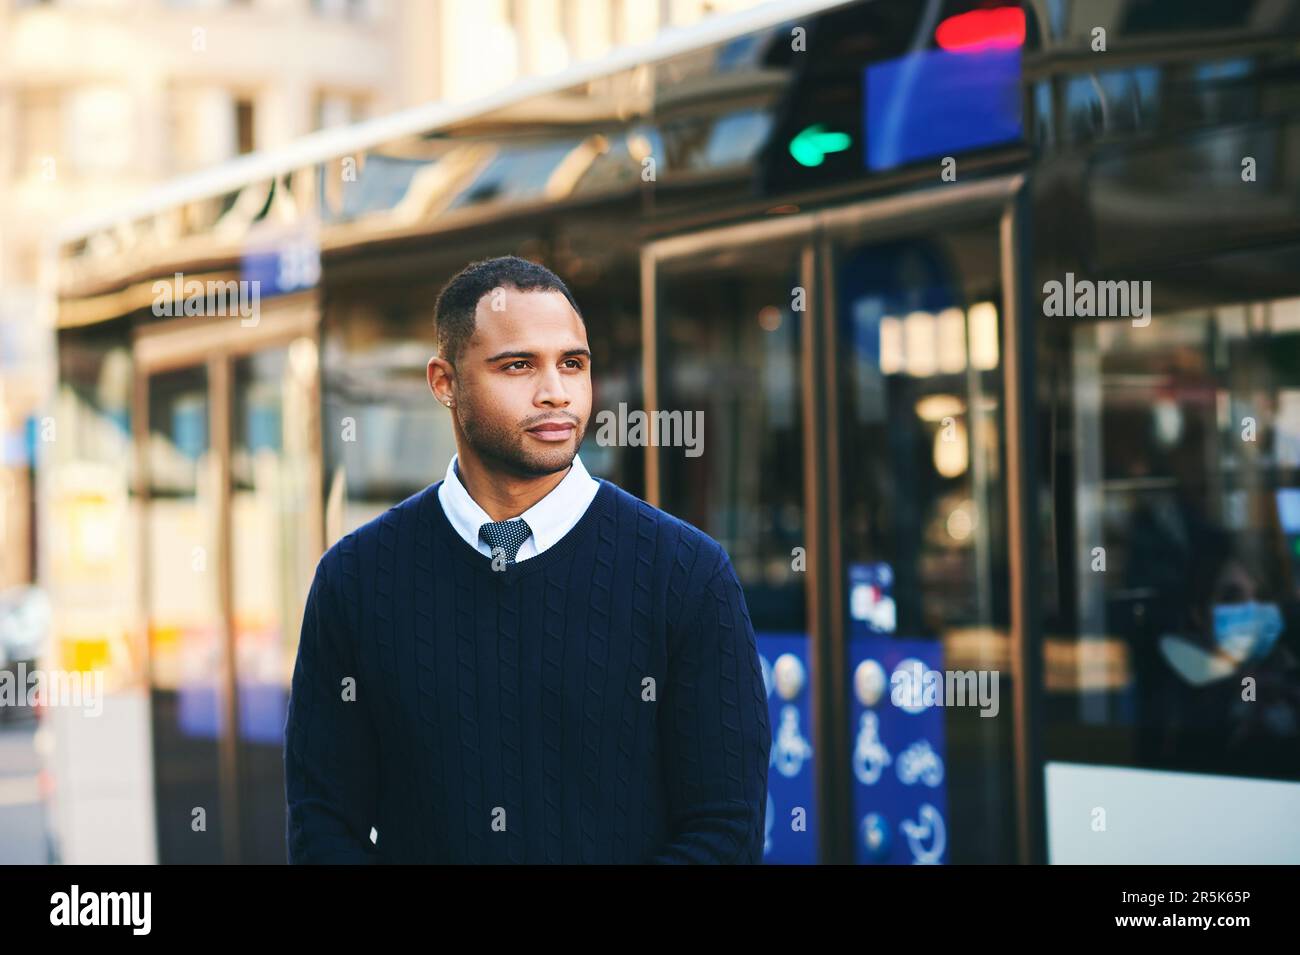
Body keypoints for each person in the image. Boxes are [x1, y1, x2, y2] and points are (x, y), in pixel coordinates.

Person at [284, 255, 771, 863]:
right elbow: (323, 824)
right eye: (518, 365)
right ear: (445, 382)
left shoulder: (688, 574)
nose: (555, 392)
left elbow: (724, 833)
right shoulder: (355, 580)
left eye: (573, 364)